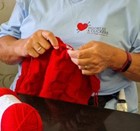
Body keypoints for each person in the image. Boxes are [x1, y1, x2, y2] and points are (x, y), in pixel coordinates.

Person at [0, 0, 140, 113]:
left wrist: (116, 58)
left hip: (101, 109)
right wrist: (21, 46)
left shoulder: (133, 5)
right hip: (28, 101)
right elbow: (3, 47)